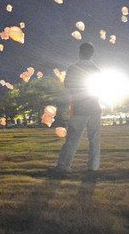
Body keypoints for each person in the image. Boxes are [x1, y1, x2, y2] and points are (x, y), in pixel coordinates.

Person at [51, 43, 102, 176]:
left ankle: (64, 165)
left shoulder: (74, 68)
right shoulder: (97, 69)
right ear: (92, 53)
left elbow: (67, 85)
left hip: (79, 107)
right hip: (95, 107)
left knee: (73, 138)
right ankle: (93, 167)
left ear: (80, 52)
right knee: (94, 139)